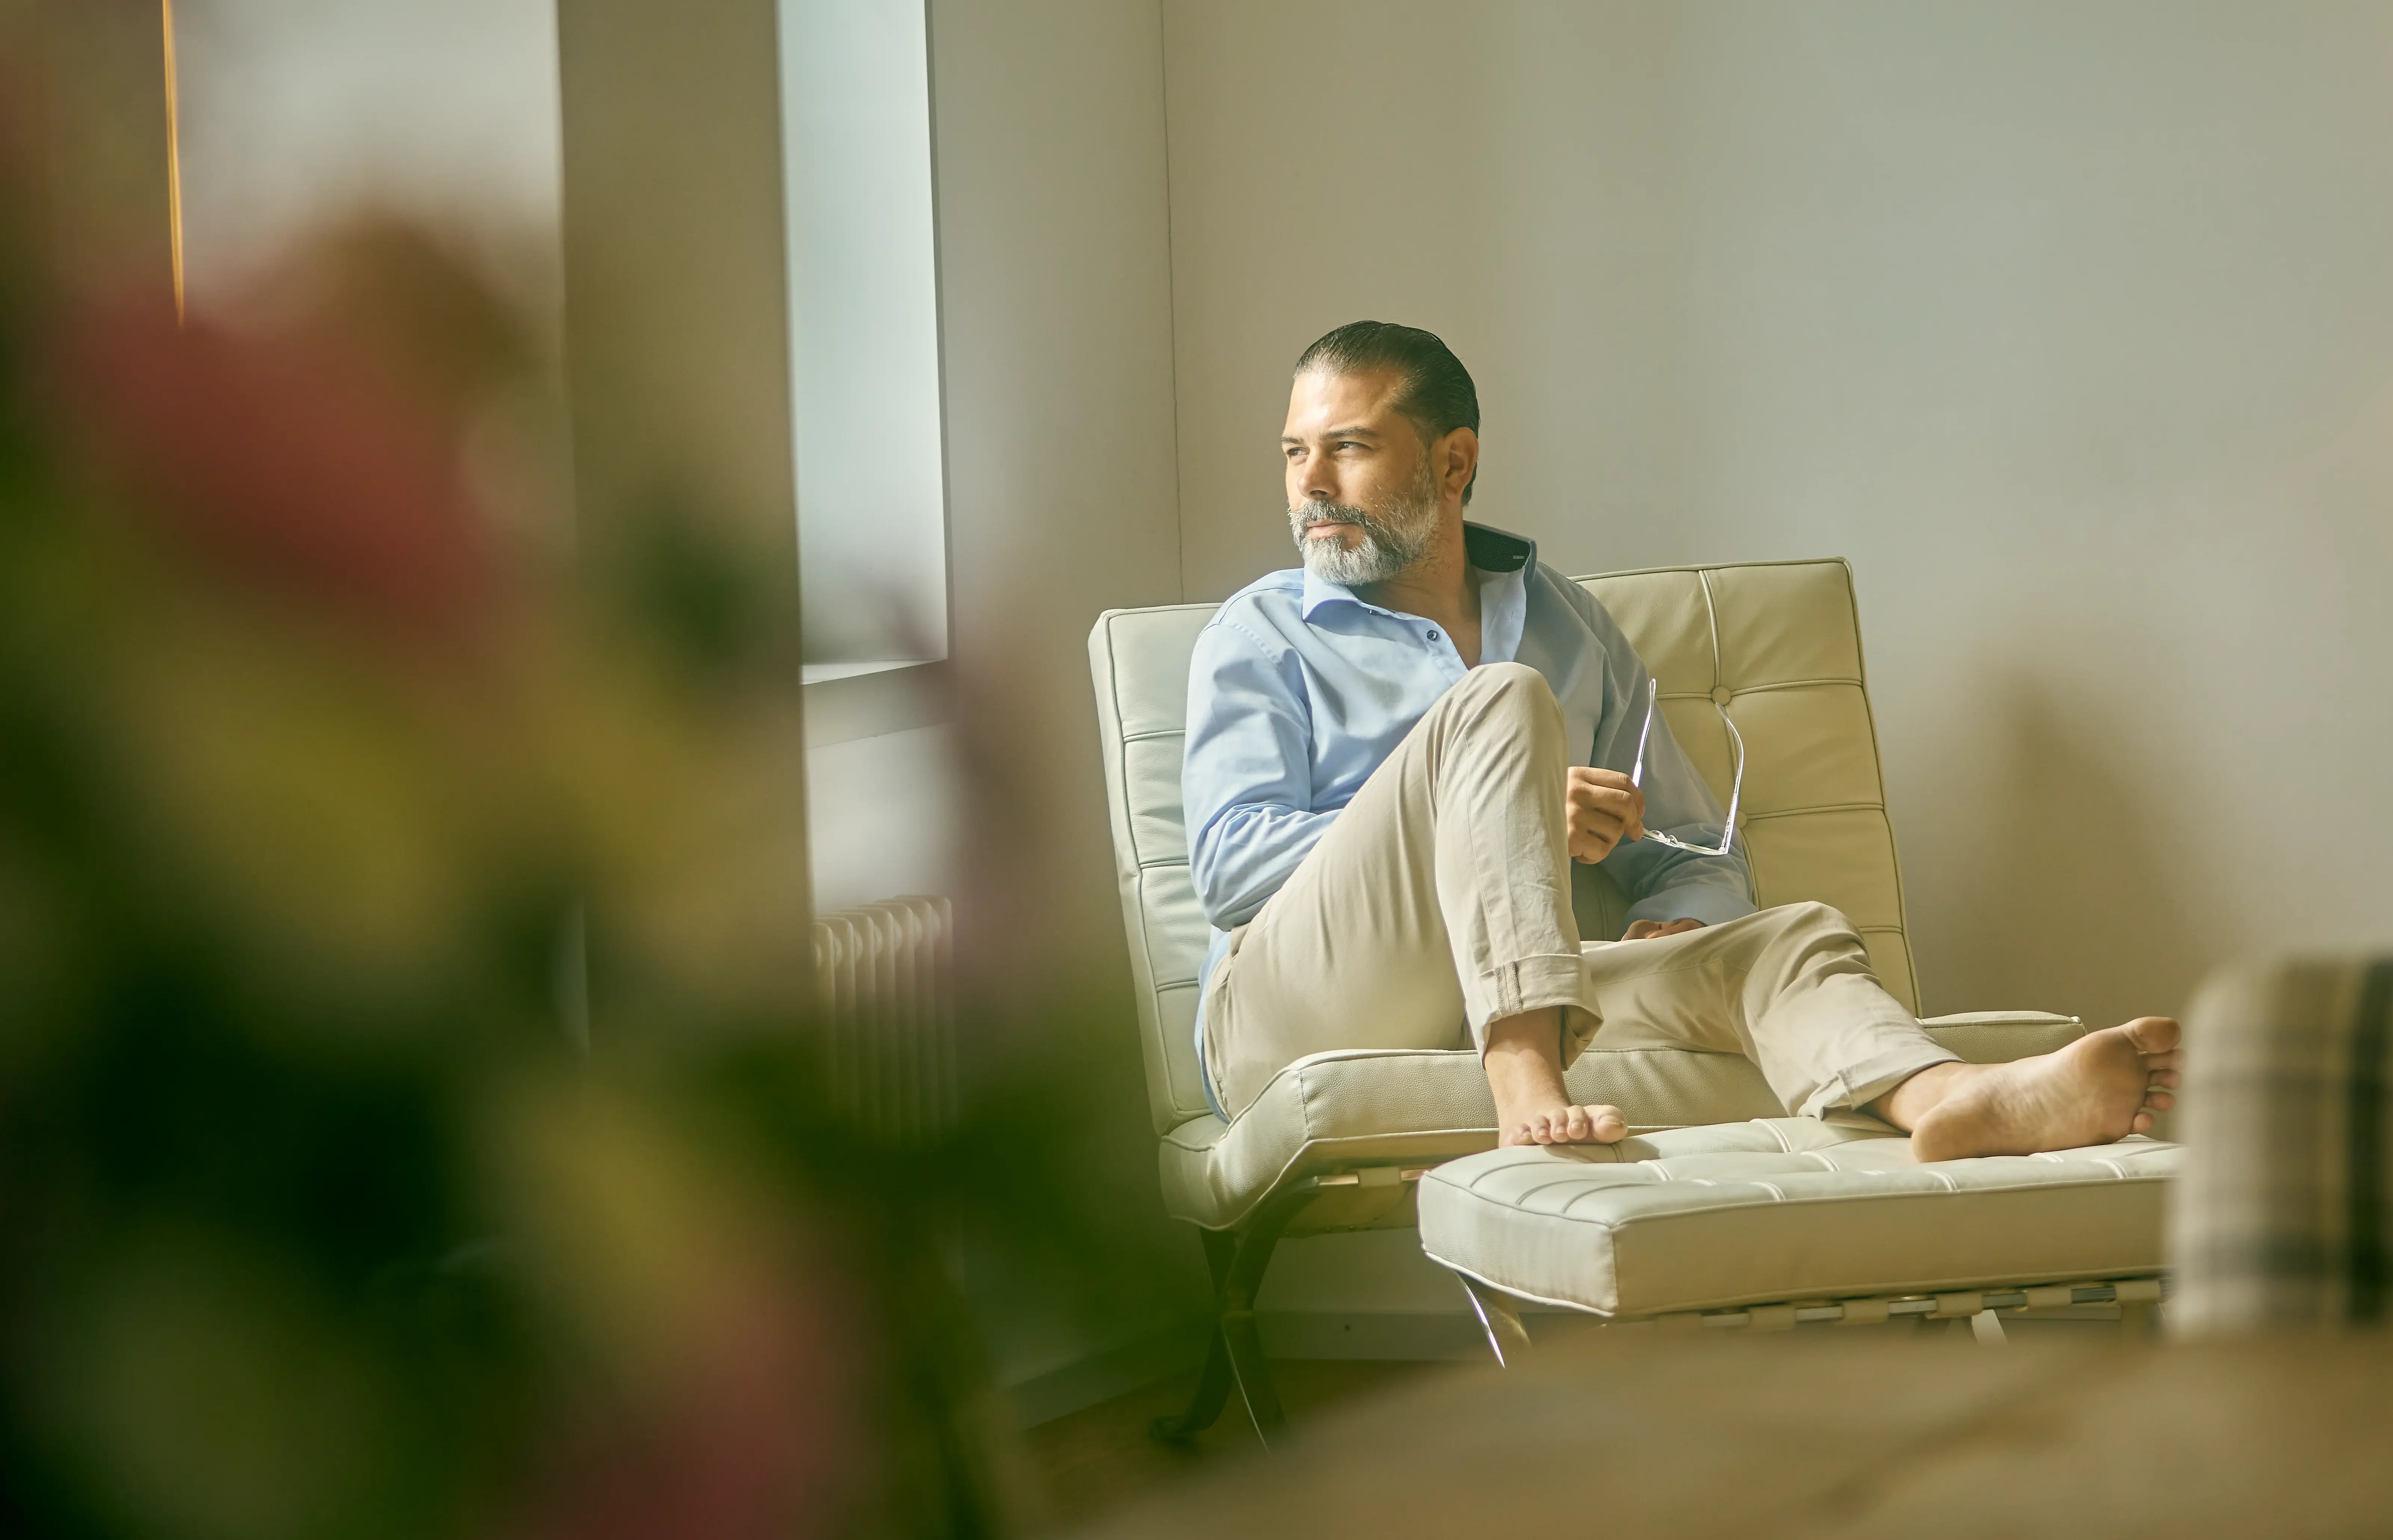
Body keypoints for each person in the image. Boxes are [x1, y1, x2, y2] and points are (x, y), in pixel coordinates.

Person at [1182, 320, 2180, 1158]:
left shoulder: (1570, 628)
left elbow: (1694, 847)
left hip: (1519, 974)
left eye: (1346, 447)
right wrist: (1502, 814)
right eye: (1293, 452)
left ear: (1453, 462)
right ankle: (1519, 1064)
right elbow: (1229, 866)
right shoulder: (1262, 631)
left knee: (1785, 938)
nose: (1310, 481)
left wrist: (1686, 910)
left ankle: (1952, 1097)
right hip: (1297, 1004)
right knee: (1502, 702)